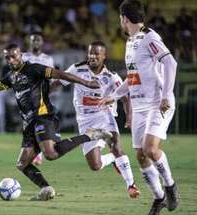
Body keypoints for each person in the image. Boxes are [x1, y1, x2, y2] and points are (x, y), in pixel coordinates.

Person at [0, 43, 112, 201]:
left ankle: (91, 135)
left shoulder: (34, 69)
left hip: (43, 117)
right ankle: (46, 189)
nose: (11, 60)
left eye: (14, 56)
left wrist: (87, 83)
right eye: (7, 58)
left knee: (50, 154)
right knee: (22, 164)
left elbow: (61, 74)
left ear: (21, 55)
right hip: (29, 124)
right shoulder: (11, 77)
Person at [100, 1, 179, 214]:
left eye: (120, 18)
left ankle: (170, 186)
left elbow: (171, 63)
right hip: (139, 105)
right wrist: (114, 96)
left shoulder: (149, 37)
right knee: (141, 155)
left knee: (150, 149)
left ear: (124, 18)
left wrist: (165, 96)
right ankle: (159, 197)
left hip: (157, 103)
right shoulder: (131, 41)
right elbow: (133, 77)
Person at [55, 41, 140, 198]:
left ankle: (131, 185)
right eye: (90, 53)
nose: (92, 56)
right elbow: (59, 82)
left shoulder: (111, 77)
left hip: (104, 116)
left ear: (104, 56)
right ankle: (113, 159)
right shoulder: (77, 69)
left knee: (115, 144)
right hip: (85, 121)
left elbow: (125, 98)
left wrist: (129, 118)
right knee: (95, 165)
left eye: (96, 54)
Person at [23, 31, 55, 165]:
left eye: (38, 40)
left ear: (42, 43)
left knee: (40, 123)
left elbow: (51, 77)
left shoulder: (48, 59)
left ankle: (37, 154)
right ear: (29, 42)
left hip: (43, 95)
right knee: (29, 124)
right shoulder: (24, 57)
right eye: (33, 40)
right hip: (28, 95)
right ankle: (35, 153)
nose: (35, 42)